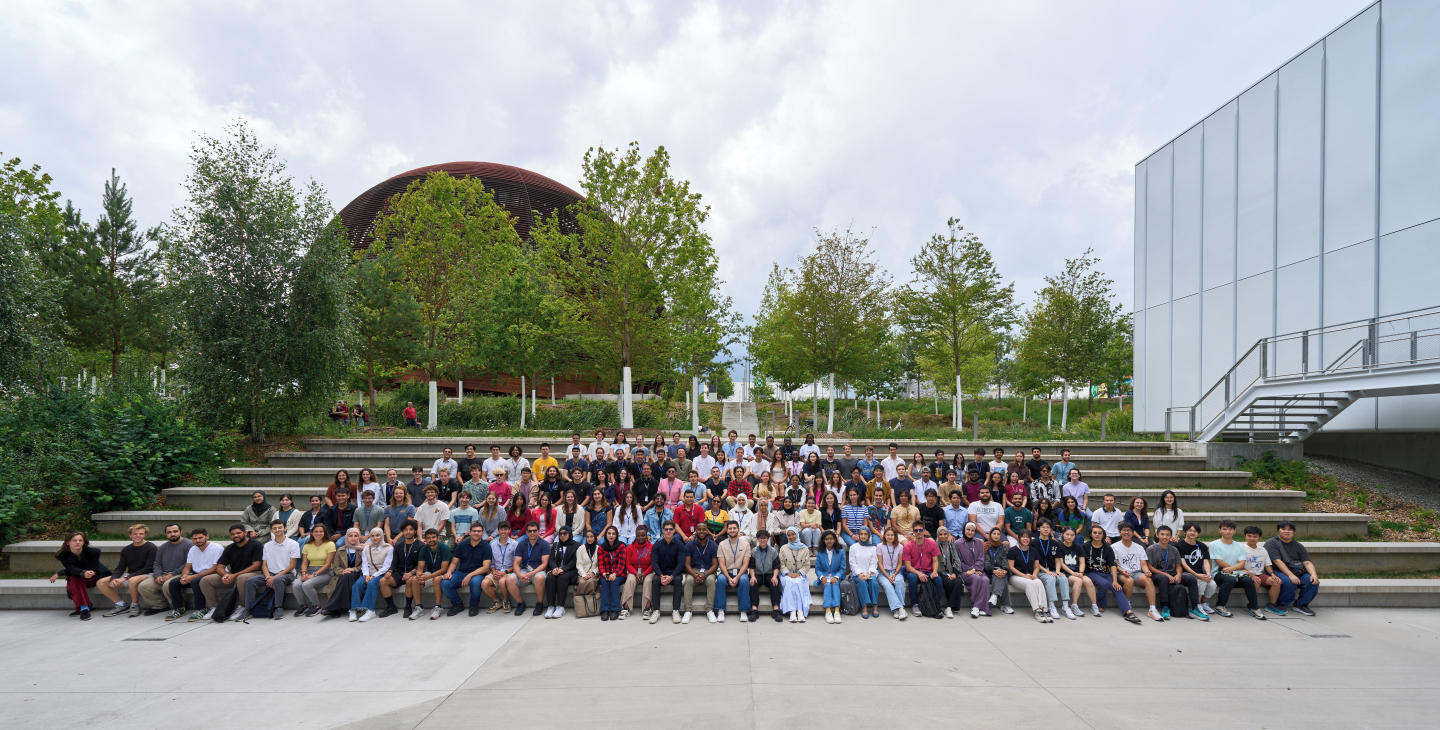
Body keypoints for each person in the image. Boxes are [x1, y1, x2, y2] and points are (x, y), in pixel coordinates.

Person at [237, 520, 298, 620]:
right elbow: (264, 565)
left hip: (288, 574)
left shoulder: (293, 544)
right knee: (251, 581)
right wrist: (268, 577)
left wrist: (274, 577)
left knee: (278, 580)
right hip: (270, 574)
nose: (277, 530)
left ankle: (278, 608)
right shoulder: (267, 545)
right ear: (271, 530)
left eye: (280, 527)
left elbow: (292, 565)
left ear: (285, 528)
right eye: (275, 528)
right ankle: (249, 609)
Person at [201, 526, 263, 622]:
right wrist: (225, 575)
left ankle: (242, 607)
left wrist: (234, 575)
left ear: (245, 533)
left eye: (238, 533)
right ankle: (215, 608)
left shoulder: (256, 544)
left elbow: (256, 565)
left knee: (241, 578)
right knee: (205, 580)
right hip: (235, 575)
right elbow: (219, 567)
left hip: (254, 573)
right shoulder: (230, 548)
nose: (235, 536)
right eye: (233, 534)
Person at [50, 532, 112, 620]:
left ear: (84, 542)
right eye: (74, 540)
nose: (78, 542)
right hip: (79, 578)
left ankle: (84, 608)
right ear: (67, 542)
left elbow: (89, 568)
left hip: (96, 577)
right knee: (74, 578)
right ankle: (85, 607)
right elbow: (71, 569)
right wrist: (81, 572)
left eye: (80, 540)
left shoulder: (94, 552)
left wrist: (62, 572)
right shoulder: (63, 555)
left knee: (72, 581)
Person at [100, 524, 157, 617]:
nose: (138, 536)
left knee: (132, 580)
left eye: (141, 534)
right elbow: (120, 567)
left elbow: (148, 568)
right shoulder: (126, 549)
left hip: (148, 574)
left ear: (145, 534)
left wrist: (126, 577)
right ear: (130, 535)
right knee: (101, 582)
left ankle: (135, 605)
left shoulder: (151, 547)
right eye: (135, 534)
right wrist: (114, 579)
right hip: (132, 574)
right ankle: (121, 605)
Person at [1208, 520, 1260, 619]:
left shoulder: (1239, 546)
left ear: (1234, 531)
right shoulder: (1214, 544)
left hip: (1236, 574)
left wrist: (1233, 569)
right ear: (1220, 530)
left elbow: (1242, 563)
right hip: (1219, 574)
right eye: (1224, 529)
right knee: (1230, 579)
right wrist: (1235, 569)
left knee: (1248, 580)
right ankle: (1220, 606)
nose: (1227, 531)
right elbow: (1220, 563)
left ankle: (1254, 608)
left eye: (1230, 529)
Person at [140, 523, 194, 619]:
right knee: (144, 586)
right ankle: (160, 606)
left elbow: (188, 563)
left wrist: (171, 575)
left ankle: (179, 607)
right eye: (169, 532)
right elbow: (157, 563)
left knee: (167, 585)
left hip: (181, 573)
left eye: (175, 531)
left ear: (181, 532)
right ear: (166, 534)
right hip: (163, 573)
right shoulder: (163, 547)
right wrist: (157, 575)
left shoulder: (189, 544)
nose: (172, 534)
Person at [1266, 520, 1320, 616]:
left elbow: (1307, 562)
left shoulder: (1298, 545)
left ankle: (1301, 605)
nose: (1286, 531)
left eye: (1290, 530)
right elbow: (1277, 561)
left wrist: (1314, 574)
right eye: (1283, 529)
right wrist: (1290, 575)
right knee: (1288, 581)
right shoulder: (1272, 543)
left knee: (1312, 581)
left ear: (1293, 532)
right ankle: (1282, 604)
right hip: (1276, 570)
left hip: (1295, 570)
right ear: (1278, 530)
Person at [1144, 526, 1195, 620]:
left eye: (1167, 535)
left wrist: (1178, 574)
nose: (1165, 537)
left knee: (1191, 579)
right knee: (1164, 578)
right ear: (1157, 535)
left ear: (1171, 536)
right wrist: (1166, 575)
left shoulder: (1174, 549)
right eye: (1162, 534)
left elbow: (1178, 566)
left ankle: (1195, 607)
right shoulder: (1151, 549)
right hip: (1157, 575)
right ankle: (1165, 607)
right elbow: (1150, 567)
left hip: (1172, 574)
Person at [1111, 523, 1159, 621]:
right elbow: (1115, 565)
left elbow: (1143, 565)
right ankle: (1126, 605)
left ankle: (1152, 609)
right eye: (1124, 530)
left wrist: (1147, 572)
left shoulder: (1139, 547)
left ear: (1133, 533)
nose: (1126, 532)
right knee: (1129, 581)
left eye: (1129, 530)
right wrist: (1122, 571)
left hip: (1136, 573)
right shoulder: (1114, 547)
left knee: (1148, 579)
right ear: (1120, 532)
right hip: (1121, 573)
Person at [443, 522, 492, 617]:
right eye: (474, 531)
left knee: (475, 582)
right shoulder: (462, 545)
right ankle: (457, 604)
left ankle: (474, 604)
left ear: (482, 533)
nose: (476, 533)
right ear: (469, 532)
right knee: (445, 583)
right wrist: (449, 572)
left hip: (477, 574)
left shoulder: (486, 547)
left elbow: (485, 568)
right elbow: (454, 563)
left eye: (479, 531)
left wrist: (470, 575)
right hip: (461, 572)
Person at [177, 528, 225, 621]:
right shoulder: (192, 549)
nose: (198, 540)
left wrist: (192, 577)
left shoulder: (217, 548)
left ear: (207, 536)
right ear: (191, 539)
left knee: (195, 581)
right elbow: (187, 567)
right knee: (174, 583)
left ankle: (201, 609)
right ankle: (178, 609)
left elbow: (215, 569)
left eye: (200, 538)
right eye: (195, 539)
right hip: (198, 574)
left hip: (214, 574)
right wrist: (184, 576)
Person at [1032, 520, 1076, 620]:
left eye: (1048, 527)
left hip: (1052, 570)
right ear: (1038, 529)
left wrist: (1057, 571)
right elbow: (1035, 561)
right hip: (1040, 571)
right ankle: (1051, 606)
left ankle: (1065, 606)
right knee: (1051, 578)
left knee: (1063, 578)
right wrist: (1046, 571)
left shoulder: (1054, 543)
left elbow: (1057, 559)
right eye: (1043, 527)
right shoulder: (1034, 542)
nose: (1046, 529)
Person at [648, 521, 689, 624]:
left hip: (675, 573)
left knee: (678, 580)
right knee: (655, 580)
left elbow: (681, 563)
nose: (668, 531)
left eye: (671, 529)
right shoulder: (657, 545)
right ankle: (656, 610)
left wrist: (672, 576)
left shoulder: (680, 545)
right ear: (663, 530)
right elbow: (654, 563)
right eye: (666, 529)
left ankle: (676, 610)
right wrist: (661, 575)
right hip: (661, 573)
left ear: (674, 530)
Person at [379, 519, 422, 617]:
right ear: (402, 531)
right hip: (400, 573)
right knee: (383, 581)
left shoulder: (420, 545)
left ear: (415, 531)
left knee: (409, 580)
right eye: (405, 530)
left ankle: (408, 607)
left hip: (413, 572)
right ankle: (391, 607)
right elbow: (394, 563)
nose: (408, 532)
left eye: (411, 529)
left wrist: (411, 573)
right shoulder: (398, 546)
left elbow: (421, 565)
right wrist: (390, 571)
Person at [508, 521, 552, 616]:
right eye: (530, 531)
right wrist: (519, 574)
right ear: (526, 532)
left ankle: (539, 604)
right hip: (524, 571)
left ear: (538, 531)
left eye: (534, 531)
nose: (532, 533)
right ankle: (521, 604)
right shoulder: (521, 544)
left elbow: (544, 564)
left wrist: (531, 573)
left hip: (538, 570)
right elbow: (516, 563)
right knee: (510, 579)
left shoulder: (544, 544)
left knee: (539, 578)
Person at [349, 528, 393, 622]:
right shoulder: (366, 548)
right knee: (357, 584)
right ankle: (354, 609)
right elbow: (364, 564)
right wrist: (366, 575)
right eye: (372, 536)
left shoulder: (389, 548)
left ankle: (370, 610)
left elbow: (386, 566)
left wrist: (373, 576)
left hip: (381, 574)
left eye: (377, 535)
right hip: (368, 574)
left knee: (372, 583)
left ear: (382, 536)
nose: (375, 538)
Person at [1007, 530, 1050, 622]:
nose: (1025, 539)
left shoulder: (1033, 550)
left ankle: (1044, 609)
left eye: (1027, 537)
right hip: (1015, 577)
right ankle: (1037, 610)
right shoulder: (1013, 550)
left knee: (1038, 582)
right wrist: (1024, 575)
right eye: (1023, 537)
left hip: (1030, 576)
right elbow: (1011, 567)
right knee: (1030, 584)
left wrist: (1034, 575)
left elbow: (1036, 567)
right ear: (1019, 538)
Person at [1178, 523, 1219, 617]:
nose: (1192, 533)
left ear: (1198, 533)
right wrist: (1196, 574)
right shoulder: (1179, 545)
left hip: (1199, 574)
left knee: (1212, 584)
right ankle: (1197, 605)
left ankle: (1203, 603)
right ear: (1184, 532)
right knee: (1202, 580)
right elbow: (1183, 563)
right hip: (1186, 574)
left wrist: (1208, 574)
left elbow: (1206, 562)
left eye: (1195, 531)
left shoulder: (1202, 546)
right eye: (1190, 530)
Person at [1242, 526, 1284, 617]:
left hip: (1260, 574)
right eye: (1249, 536)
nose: (1252, 538)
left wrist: (1272, 574)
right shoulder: (1241, 548)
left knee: (1276, 582)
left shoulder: (1263, 550)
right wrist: (1251, 574)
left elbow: (1267, 565)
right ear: (1245, 536)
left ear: (1259, 537)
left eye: (1255, 536)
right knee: (1255, 582)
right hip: (1246, 574)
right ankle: (1252, 605)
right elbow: (1239, 566)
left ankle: (1271, 605)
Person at [294, 524, 334, 617]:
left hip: (325, 572)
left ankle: (317, 606)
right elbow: (304, 563)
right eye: (316, 531)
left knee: (307, 585)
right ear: (311, 533)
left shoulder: (330, 544)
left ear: (325, 533)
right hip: (309, 570)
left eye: (321, 531)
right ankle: (303, 605)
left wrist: (314, 575)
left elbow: (328, 564)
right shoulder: (307, 545)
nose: (318, 533)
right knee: (296, 584)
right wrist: (303, 573)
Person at [715, 520, 752, 622]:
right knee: (720, 580)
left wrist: (737, 577)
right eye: (730, 528)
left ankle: (743, 610)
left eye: (734, 528)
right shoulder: (722, 544)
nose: (732, 530)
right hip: (726, 572)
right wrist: (728, 577)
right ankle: (720, 610)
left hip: (741, 572)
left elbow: (745, 564)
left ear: (738, 529)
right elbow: (721, 564)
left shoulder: (745, 544)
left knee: (744, 580)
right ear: (727, 530)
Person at [682, 523, 719, 624]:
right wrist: (695, 575)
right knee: (689, 580)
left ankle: (710, 610)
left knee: (711, 580)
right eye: (699, 529)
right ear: (696, 531)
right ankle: (688, 611)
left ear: (707, 531)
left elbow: (715, 564)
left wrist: (705, 575)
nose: (701, 531)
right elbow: (687, 564)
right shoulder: (689, 545)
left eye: (704, 529)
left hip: (708, 571)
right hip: (693, 570)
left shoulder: (713, 545)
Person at [413, 528, 453, 619]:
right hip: (431, 573)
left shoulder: (444, 548)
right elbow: (420, 568)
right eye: (429, 538)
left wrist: (428, 577)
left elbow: (444, 569)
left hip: (445, 574)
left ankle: (438, 607)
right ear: (425, 539)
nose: (431, 539)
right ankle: (419, 607)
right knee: (414, 579)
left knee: (436, 579)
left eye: (433, 537)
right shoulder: (424, 549)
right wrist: (419, 576)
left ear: (438, 538)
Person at [901, 523, 939, 614]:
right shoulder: (908, 545)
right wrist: (919, 573)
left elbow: (935, 561)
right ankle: (915, 605)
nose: (918, 532)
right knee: (913, 578)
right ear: (913, 532)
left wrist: (934, 571)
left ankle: (936, 604)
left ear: (924, 531)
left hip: (928, 571)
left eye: (921, 530)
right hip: (913, 571)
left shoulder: (932, 543)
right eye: (916, 530)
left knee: (938, 579)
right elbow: (907, 566)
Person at [953, 522, 989, 618]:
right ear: (964, 530)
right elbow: (958, 561)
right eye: (968, 530)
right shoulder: (957, 543)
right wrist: (971, 570)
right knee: (976, 578)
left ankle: (981, 607)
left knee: (986, 580)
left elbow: (981, 558)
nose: (970, 532)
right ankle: (976, 607)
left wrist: (975, 569)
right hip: (965, 572)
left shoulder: (978, 542)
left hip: (978, 570)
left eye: (972, 530)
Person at [544, 526, 579, 619]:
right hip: (556, 570)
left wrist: (563, 569)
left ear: (569, 534)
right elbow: (551, 559)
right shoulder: (556, 545)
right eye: (560, 534)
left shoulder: (576, 545)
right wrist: (554, 568)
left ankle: (560, 606)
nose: (562, 535)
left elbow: (574, 561)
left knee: (562, 577)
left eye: (565, 533)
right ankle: (551, 606)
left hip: (569, 571)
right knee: (550, 577)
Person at [778, 527, 811, 623]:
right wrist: (788, 573)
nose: (791, 537)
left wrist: (798, 573)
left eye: (793, 534)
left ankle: (800, 611)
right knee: (790, 582)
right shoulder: (783, 548)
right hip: (786, 575)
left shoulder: (805, 549)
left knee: (798, 582)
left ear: (797, 534)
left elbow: (807, 565)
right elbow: (781, 564)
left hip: (799, 574)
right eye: (789, 535)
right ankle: (792, 611)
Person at [1056, 526, 1091, 618]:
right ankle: (1074, 605)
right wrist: (1073, 573)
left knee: (1088, 581)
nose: (1069, 537)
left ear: (1075, 536)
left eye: (1072, 535)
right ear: (1062, 534)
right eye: (1067, 534)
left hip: (1078, 572)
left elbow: (1082, 562)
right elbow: (1061, 563)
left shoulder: (1078, 547)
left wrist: (1081, 572)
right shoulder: (1059, 546)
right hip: (1066, 572)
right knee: (1078, 581)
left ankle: (1094, 606)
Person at [483, 522, 517, 613]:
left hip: (509, 572)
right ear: (498, 531)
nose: (503, 531)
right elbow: (492, 562)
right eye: (501, 529)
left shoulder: (515, 544)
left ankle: (506, 601)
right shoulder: (493, 545)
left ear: (509, 530)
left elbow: (516, 563)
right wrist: (493, 572)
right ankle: (497, 601)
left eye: (505, 529)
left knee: (502, 581)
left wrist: (505, 572)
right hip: (496, 571)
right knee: (484, 583)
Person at [814, 530, 847, 624]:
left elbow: (843, 568)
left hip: (836, 576)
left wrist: (836, 577)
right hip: (825, 576)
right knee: (827, 585)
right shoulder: (820, 552)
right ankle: (828, 611)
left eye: (831, 539)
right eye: (827, 539)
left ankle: (837, 610)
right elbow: (817, 569)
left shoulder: (840, 552)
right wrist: (822, 577)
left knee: (835, 585)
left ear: (835, 540)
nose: (829, 541)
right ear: (823, 540)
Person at [847, 526, 881, 619]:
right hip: (857, 574)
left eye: (865, 534)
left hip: (870, 573)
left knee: (873, 582)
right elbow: (852, 563)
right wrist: (860, 573)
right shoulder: (853, 547)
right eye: (861, 534)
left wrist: (869, 573)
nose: (863, 536)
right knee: (862, 582)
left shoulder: (873, 548)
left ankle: (875, 606)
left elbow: (874, 562)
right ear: (858, 535)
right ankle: (864, 606)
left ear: (868, 535)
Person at [596, 525, 629, 621]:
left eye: (613, 534)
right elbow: (600, 564)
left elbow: (622, 564)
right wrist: (604, 573)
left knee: (614, 582)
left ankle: (615, 609)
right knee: (605, 582)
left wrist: (615, 574)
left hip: (619, 574)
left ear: (616, 535)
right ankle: (605, 610)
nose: (611, 536)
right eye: (609, 533)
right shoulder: (601, 547)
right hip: (605, 574)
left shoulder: (621, 546)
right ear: (606, 535)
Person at [933, 526, 965, 619]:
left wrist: (954, 573)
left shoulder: (951, 545)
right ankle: (951, 607)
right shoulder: (934, 545)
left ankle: (949, 607)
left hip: (951, 571)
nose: (943, 536)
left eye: (945, 534)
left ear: (948, 535)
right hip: (940, 572)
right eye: (940, 534)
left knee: (958, 581)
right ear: (937, 535)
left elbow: (956, 560)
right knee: (948, 582)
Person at [876, 527, 908, 619]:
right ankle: (900, 608)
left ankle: (897, 610)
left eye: (892, 535)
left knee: (899, 582)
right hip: (883, 572)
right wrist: (887, 576)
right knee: (887, 585)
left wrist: (894, 574)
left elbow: (900, 563)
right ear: (884, 536)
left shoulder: (900, 547)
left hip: (895, 571)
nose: (890, 537)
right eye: (888, 535)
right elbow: (880, 563)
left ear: (895, 536)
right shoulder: (879, 546)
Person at [982, 527, 1014, 616]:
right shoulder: (985, 546)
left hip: (1001, 571)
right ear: (990, 535)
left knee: (1001, 576)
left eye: (998, 534)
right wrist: (994, 571)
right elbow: (986, 563)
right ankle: (1005, 605)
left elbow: (1005, 561)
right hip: (989, 573)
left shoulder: (1003, 547)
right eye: (994, 534)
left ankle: (995, 596)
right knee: (1001, 578)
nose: (996, 536)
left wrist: (1005, 571)